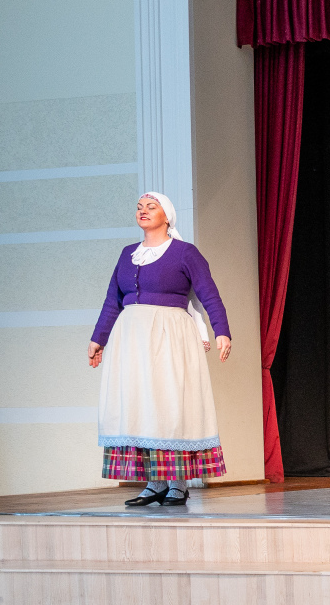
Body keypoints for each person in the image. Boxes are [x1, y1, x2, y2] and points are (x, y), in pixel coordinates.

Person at [90, 192, 231, 506]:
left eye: (151, 207)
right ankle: (154, 483)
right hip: (132, 340)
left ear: (167, 216)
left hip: (170, 336)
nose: (143, 211)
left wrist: (221, 330)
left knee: (169, 405)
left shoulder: (184, 252)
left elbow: (209, 294)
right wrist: (98, 338)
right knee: (141, 406)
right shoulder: (127, 254)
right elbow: (113, 300)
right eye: (139, 207)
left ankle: (177, 483)